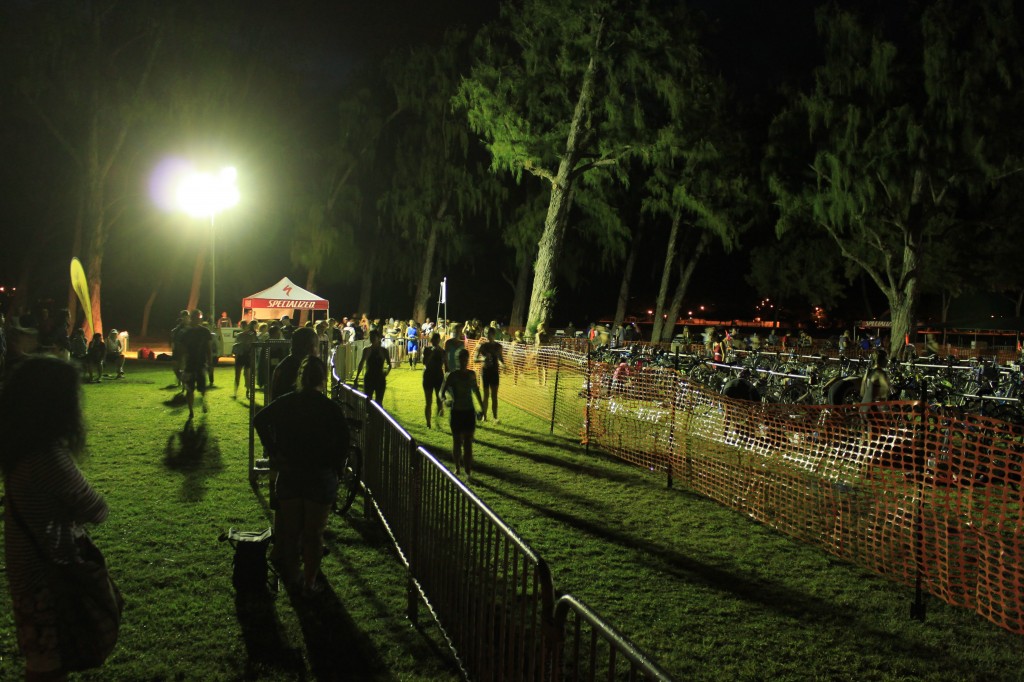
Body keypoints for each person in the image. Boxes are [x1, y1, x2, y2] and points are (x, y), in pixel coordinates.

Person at [1, 356, 111, 679]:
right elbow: (97, 509)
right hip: (47, 575)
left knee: (42, 661)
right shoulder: (47, 456)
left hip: (25, 567)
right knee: (47, 668)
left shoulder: (20, 446)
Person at [254, 356, 349, 595]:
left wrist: (274, 451)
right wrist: (336, 468)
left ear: (301, 378)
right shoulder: (330, 408)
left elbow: (260, 419)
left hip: (290, 471)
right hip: (320, 474)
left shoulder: (287, 402)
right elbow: (344, 443)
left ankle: (294, 578)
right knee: (314, 534)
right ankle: (309, 581)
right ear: (323, 378)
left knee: (291, 532)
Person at [440, 348, 484, 479]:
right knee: (457, 441)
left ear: (468, 359)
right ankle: (457, 468)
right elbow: (442, 392)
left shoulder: (472, 374)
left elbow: (476, 391)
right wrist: (446, 400)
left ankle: (468, 471)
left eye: (466, 358)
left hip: (469, 412)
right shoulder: (452, 375)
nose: (464, 361)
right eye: (461, 358)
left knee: (468, 442)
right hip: (457, 412)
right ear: (457, 360)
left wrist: (481, 408)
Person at [271, 326, 320, 401]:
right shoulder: (308, 367)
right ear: (311, 347)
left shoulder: (284, 365)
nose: (318, 351)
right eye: (316, 345)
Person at [180, 310, 212, 420]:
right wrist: (183, 364)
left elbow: (208, 349)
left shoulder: (205, 331)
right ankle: (191, 411)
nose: (197, 319)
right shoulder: (186, 333)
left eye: (198, 317)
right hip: (190, 365)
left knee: (202, 387)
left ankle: (203, 401)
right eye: (195, 317)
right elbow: (183, 350)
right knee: (189, 389)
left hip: (201, 364)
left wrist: (210, 362)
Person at [475, 326, 504, 423]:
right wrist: (482, 359)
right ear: (485, 334)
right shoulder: (482, 346)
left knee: (494, 396)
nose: (489, 336)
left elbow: (500, 359)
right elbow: (475, 359)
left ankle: (495, 417)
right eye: (487, 334)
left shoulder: (498, 346)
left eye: (491, 334)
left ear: (494, 334)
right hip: (485, 372)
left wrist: (503, 365)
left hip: (494, 372)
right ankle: (484, 416)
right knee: (486, 395)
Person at [355, 329, 391, 404]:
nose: (372, 339)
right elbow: (361, 363)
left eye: (373, 337)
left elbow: (389, 364)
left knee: (379, 401)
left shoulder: (384, 351)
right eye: (370, 337)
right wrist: (357, 377)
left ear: (378, 338)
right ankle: (369, 414)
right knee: (368, 400)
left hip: (380, 378)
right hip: (369, 378)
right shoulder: (366, 350)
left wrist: (386, 372)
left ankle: (377, 415)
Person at [422, 332, 445, 428]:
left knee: (439, 400)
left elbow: (445, 363)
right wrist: (432, 353)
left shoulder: (442, 351)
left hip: (439, 377)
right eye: (434, 339)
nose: (435, 342)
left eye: (437, 340)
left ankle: (437, 420)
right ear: (431, 340)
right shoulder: (426, 349)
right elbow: (425, 363)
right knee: (428, 402)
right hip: (428, 377)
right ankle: (428, 423)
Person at [232, 320, 258, 399]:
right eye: (242, 326)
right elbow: (235, 345)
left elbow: (254, 345)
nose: (243, 327)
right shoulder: (240, 335)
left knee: (247, 375)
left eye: (244, 325)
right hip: (240, 356)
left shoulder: (251, 335)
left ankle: (247, 391)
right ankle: (235, 392)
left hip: (247, 356)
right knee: (238, 375)